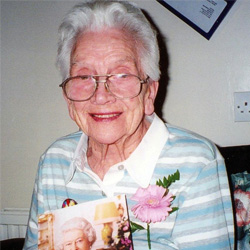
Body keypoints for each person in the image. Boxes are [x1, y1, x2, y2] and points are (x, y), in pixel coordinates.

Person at [23, 1, 234, 249]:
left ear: (149, 93)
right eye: (83, 76)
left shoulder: (196, 163)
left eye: (122, 75)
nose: (100, 96)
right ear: (67, 96)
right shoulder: (54, 162)